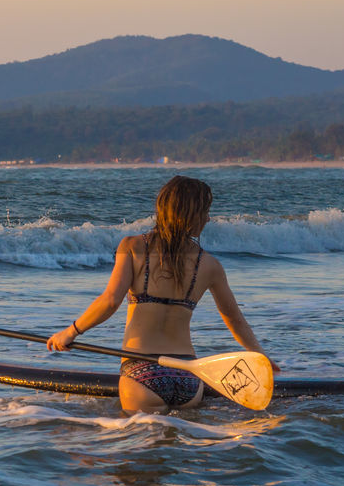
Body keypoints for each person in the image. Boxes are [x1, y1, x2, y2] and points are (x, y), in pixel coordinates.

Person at [46, 175, 278, 414]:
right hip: (188, 376)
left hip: (141, 373)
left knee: (138, 443)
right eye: (204, 212)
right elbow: (234, 318)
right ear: (188, 215)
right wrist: (259, 356)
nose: (208, 219)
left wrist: (70, 332)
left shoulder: (132, 247)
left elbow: (110, 301)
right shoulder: (209, 264)